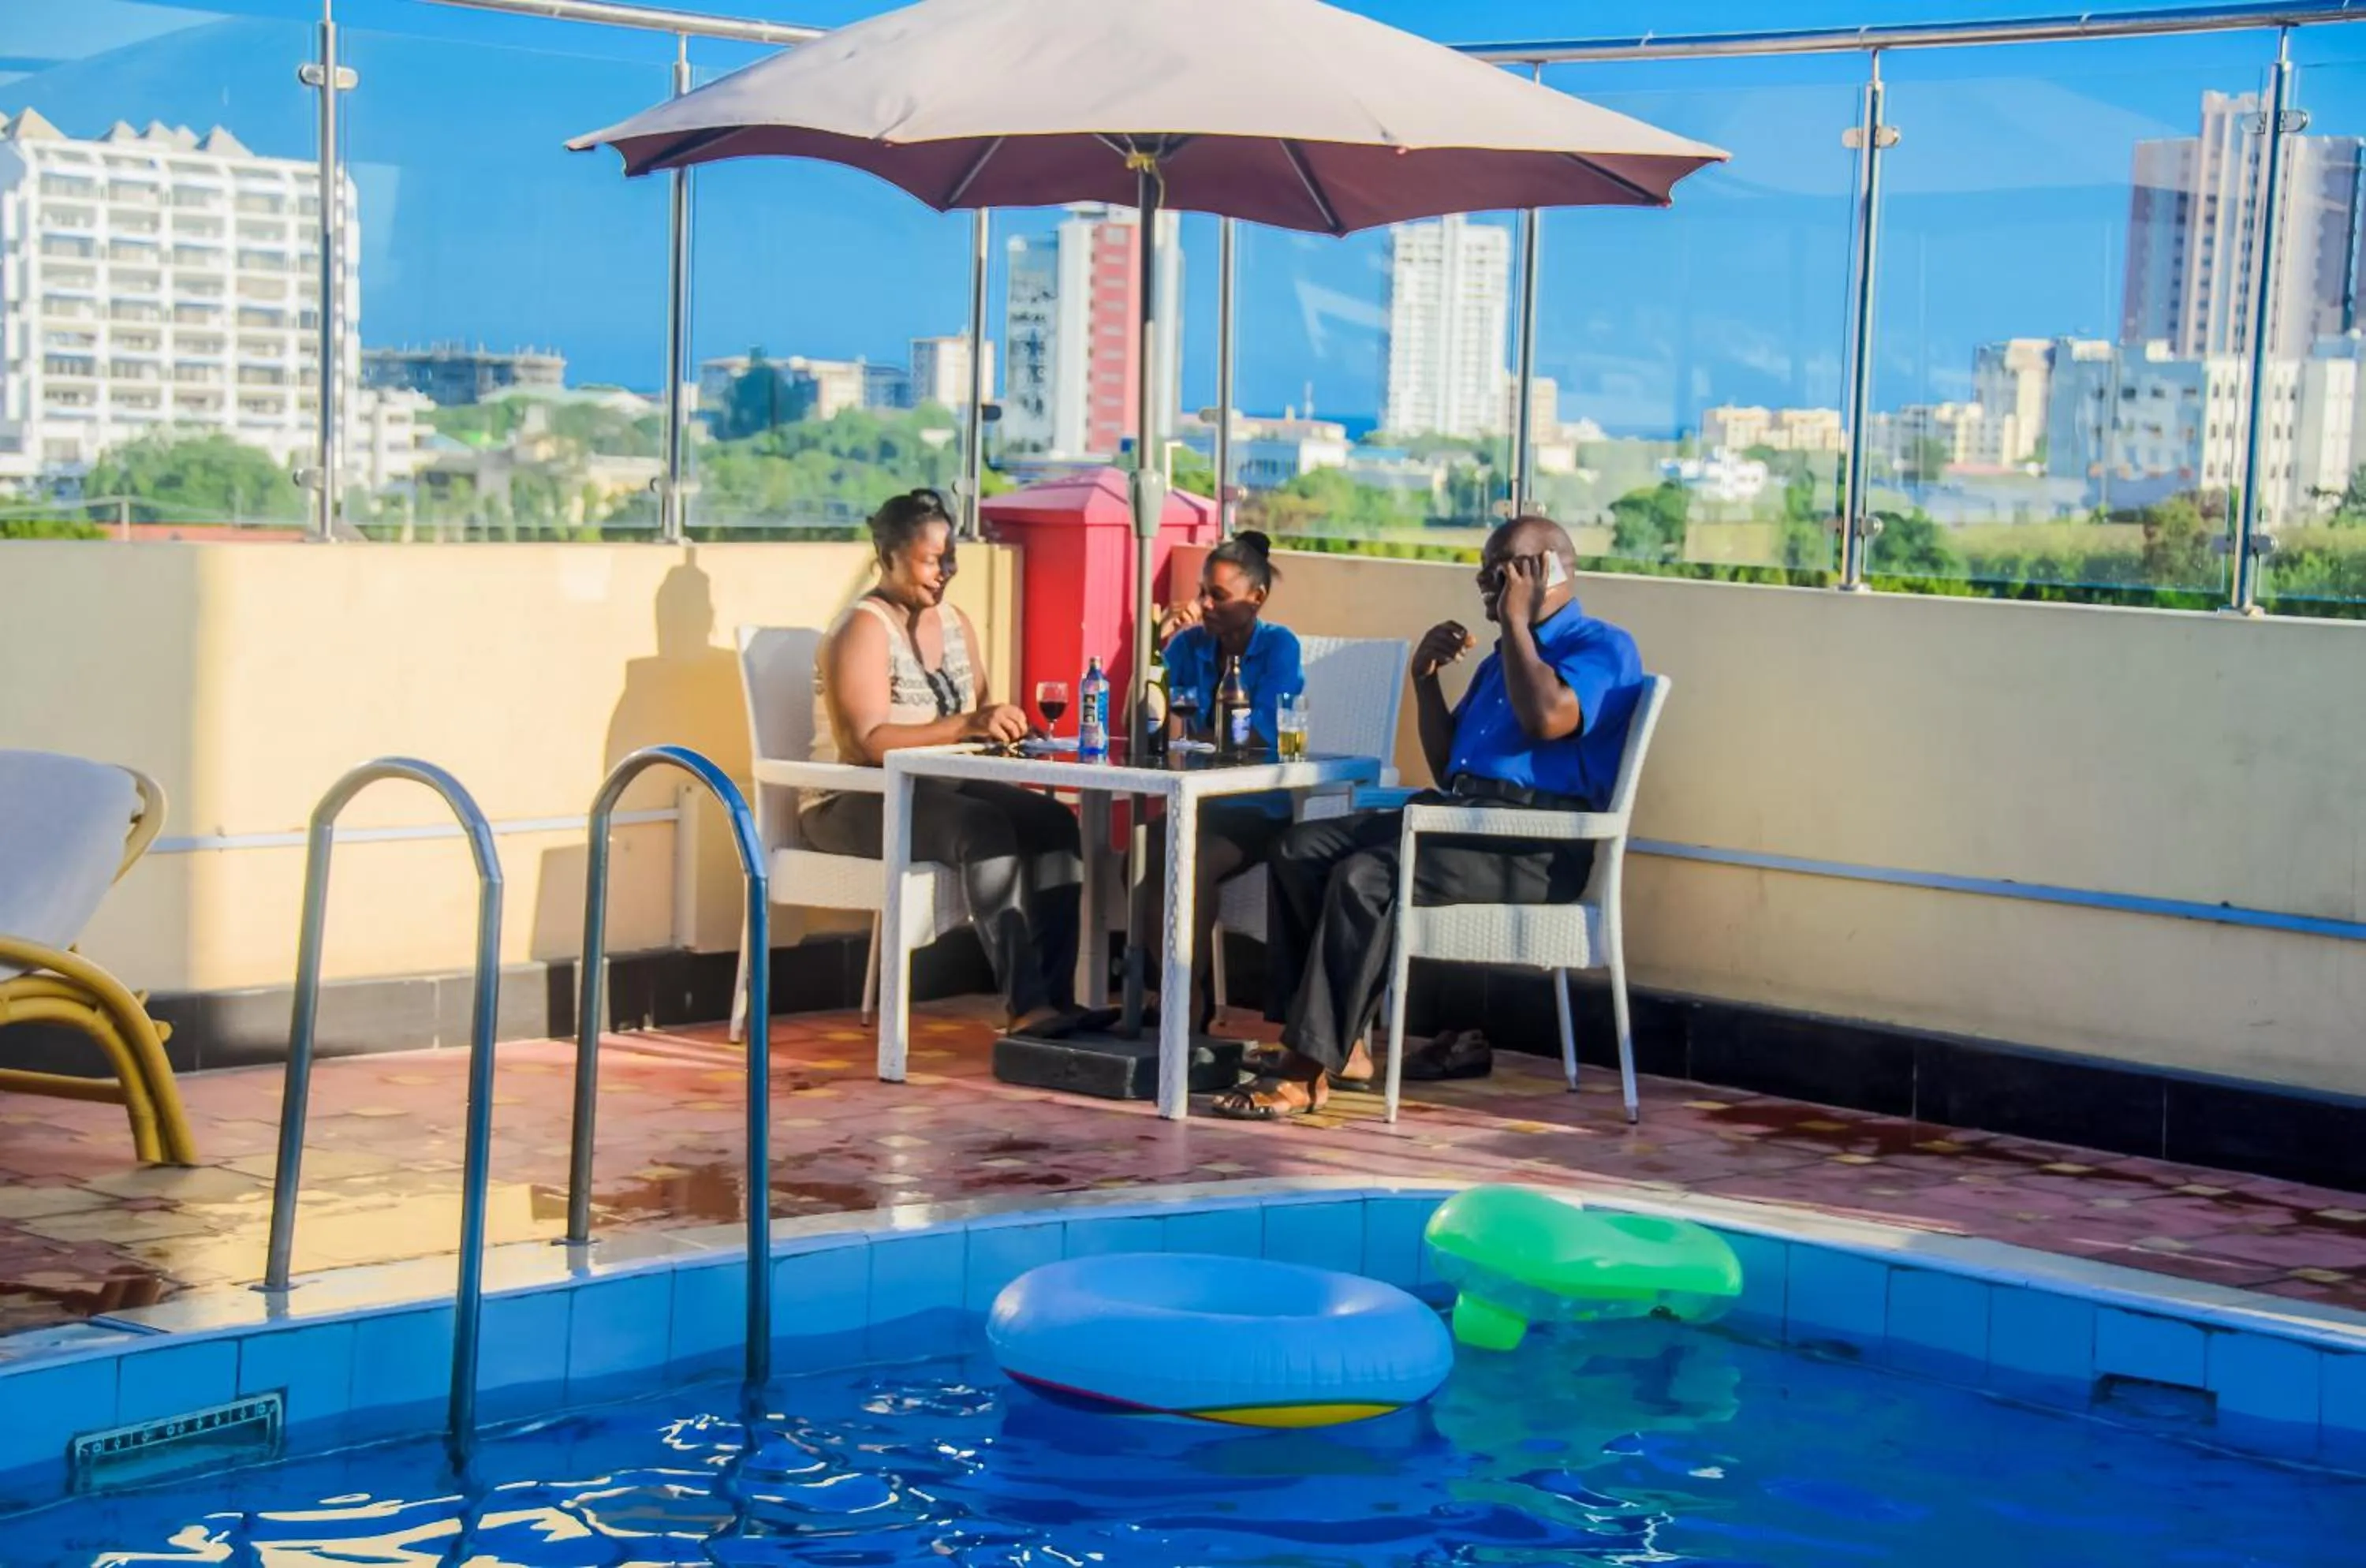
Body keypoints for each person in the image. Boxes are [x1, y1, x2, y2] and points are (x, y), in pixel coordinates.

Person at [1213, 515, 1645, 1120]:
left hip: (1533, 845)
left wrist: (1518, 621)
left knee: (1368, 875)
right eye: (1482, 575)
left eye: (1496, 574)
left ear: (1541, 571)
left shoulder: (1601, 646)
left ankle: (1306, 1068)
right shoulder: (1503, 660)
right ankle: (1340, 1045)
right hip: (1461, 820)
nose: (1484, 588)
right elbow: (1448, 772)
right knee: (1300, 848)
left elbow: (1548, 719)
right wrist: (1425, 682)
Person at [800, 489, 1080, 1031]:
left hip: (937, 790)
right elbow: (864, 744)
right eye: (931, 560)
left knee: (1051, 822)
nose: (943, 572)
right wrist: (967, 725)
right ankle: (1027, 1006)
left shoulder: (954, 622)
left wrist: (999, 728)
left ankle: (1058, 999)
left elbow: (976, 715)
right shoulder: (862, 628)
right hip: (854, 799)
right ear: (887, 558)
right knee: (985, 827)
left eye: (950, 559)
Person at [1151, 531, 1305, 1029]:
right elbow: (1157, 726)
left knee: (1188, 859)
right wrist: (1157, 652)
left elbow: (1260, 734)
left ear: (1255, 598)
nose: (1204, 605)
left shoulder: (1279, 646)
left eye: (1218, 595)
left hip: (1255, 810)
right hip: (1195, 803)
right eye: (1202, 593)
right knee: (1144, 855)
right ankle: (1174, 991)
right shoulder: (1188, 646)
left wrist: (1194, 733)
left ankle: (1184, 1003)